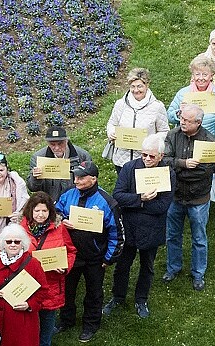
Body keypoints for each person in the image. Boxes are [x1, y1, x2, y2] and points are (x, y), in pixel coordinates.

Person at [104, 133, 171, 319]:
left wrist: (134, 205)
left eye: (151, 156)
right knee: (123, 264)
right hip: (129, 227)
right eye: (144, 155)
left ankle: (141, 299)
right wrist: (140, 199)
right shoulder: (129, 168)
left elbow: (163, 205)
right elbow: (117, 195)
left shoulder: (167, 173)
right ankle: (118, 297)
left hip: (152, 229)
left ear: (161, 156)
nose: (147, 159)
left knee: (147, 266)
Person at [54, 161, 120, 342]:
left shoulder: (107, 201)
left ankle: (91, 324)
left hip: (95, 258)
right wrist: (62, 219)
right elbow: (55, 212)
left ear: (94, 178)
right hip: (71, 255)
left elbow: (117, 233)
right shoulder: (68, 195)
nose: (76, 180)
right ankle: (66, 320)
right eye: (75, 176)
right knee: (67, 290)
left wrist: (109, 258)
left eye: (81, 177)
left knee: (94, 293)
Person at [163, 104, 215, 291]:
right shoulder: (172, 135)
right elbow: (165, 161)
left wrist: (177, 171)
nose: (182, 122)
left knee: (199, 238)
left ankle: (198, 273)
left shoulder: (209, 141)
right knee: (172, 235)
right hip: (175, 196)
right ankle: (172, 268)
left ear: (198, 123)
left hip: (198, 198)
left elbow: (206, 171)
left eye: (186, 120)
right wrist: (184, 164)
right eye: (181, 118)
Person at [16, 192, 72, 345]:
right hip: (26, 287)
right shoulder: (19, 230)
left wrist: (65, 267)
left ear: (50, 212)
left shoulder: (59, 229)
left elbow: (71, 251)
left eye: (44, 211)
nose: (40, 215)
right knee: (26, 328)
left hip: (51, 286)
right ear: (30, 211)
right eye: (37, 210)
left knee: (46, 328)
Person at [0, 225, 49, 346]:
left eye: (17, 242)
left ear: (23, 244)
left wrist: (29, 305)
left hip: (22, 320)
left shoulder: (33, 264)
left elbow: (43, 290)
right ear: (3, 243)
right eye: (9, 241)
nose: (13, 244)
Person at [103, 68, 169, 171]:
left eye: (139, 86)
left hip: (144, 160)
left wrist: (150, 141)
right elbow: (112, 124)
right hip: (122, 159)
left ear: (147, 85)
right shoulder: (120, 104)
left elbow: (164, 131)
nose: (136, 90)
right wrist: (111, 132)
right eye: (132, 87)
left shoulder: (157, 106)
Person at [167, 56, 215, 143]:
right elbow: (169, 117)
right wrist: (180, 113)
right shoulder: (183, 94)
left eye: (205, 74)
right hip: (183, 142)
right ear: (193, 75)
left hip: (208, 144)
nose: (201, 78)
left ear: (211, 75)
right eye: (197, 74)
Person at [25, 127, 90, 201]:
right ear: (47, 143)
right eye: (52, 144)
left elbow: (90, 182)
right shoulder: (38, 158)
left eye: (60, 144)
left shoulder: (82, 156)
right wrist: (35, 178)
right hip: (50, 204)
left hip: (75, 201)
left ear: (66, 141)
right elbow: (32, 188)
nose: (57, 148)